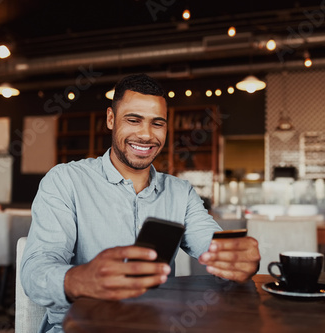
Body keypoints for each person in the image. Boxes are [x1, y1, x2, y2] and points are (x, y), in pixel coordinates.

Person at [20, 73, 260, 333]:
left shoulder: (180, 192)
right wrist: (79, 280)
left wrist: (236, 258)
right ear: (111, 119)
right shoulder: (65, 180)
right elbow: (36, 270)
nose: (146, 135)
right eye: (133, 120)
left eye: (157, 124)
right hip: (81, 327)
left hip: (157, 326)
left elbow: (212, 243)